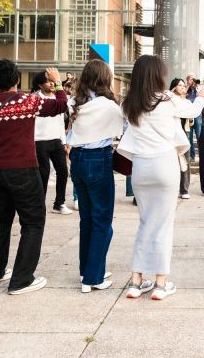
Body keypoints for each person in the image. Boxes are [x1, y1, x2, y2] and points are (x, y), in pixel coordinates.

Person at [118, 55, 204, 300]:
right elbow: (192, 110)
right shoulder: (167, 99)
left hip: (140, 167)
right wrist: (200, 95)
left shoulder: (128, 102)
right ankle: (160, 283)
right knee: (164, 223)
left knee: (146, 222)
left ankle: (136, 281)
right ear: (158, 75)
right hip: (164, 164)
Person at [0, 60, 67, 295]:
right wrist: (57, 83)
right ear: (17, 79)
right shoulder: (27, 101)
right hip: (20, 168)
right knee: (33, 221)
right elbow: (59, 106)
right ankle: (21, 279)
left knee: (0, 220)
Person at [67, 60, 123, 293]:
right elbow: (121, 130)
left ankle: (88, 269)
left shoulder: (75, 102)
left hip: (77, 159)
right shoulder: (108, 105)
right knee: (102, 221)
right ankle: (92, 278)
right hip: (98, 159)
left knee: (87, 220)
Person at [31, 72, 72, 215]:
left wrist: (64, 142)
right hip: (39, 140)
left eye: (52, 81)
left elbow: (61, 122)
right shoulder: (34, 99)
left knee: (63, 171)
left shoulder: (58, 99)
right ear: (40, 84)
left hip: (56, 140)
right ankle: (39, 205)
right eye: (48, 81)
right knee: (44, 173)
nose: (51, 83)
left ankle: (59, 203)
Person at [170, 78, 193, 199]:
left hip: (184, 132)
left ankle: (184, 189)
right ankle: (171, 188)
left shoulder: (187, 102)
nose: (182, 87)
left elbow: (191, 118)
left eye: (184, 86)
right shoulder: (168, 100)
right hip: (170, 133)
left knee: (185, 160)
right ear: (173, 87)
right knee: (171, 161)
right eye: (180, 85)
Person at [185, 73, 202, 160]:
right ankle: (192, 155)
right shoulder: (185, 89)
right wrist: (188, 85)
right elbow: (182, 95)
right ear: (187, 80)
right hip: (189, 116)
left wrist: (196, 87)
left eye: (193, 79)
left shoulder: (197, 89)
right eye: (190, 79)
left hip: (198, 116)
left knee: (199, 135)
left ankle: (202, 154)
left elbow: (202, 96)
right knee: (190, 136)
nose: (192, 81)